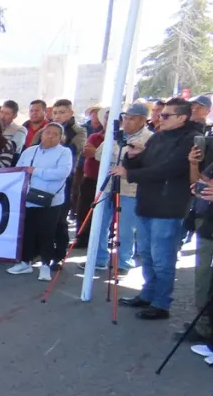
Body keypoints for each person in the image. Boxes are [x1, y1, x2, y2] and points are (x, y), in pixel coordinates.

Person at [112, 97, 195, 320]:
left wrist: (130, 173)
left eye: (166, 115)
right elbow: (146, 163)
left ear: (182, 117)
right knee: (146, 254)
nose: (160, 117)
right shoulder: (158, 136)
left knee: (162, 257)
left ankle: (161, 303)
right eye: (160, 114)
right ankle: (148, 294)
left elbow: (170, 170)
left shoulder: (189, 140)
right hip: (146, 202)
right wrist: (132, 158)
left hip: (169, 207)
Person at [81, 102, 152, 276]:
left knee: (125, 227)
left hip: (130, 188)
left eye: (132, 119)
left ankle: (123, 261)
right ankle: (99, 258)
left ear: (143, 120)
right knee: (100, 223)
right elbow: (98, 154)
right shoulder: (115, 135)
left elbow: (148, 163)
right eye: (125, 118)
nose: (127, 122)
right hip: (107, 185)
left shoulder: (150, 138)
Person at [8, 122, 74, 281]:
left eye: (55, 134)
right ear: (42, 134)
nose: (50, 136)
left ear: (61, 137)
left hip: (51, 200)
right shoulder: (30, 151)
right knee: (28, 231)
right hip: (29, 198)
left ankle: (45, 265)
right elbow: (19, 169)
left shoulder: (64, 152)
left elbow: (62, 173)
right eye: (48, 132)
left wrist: (36, 171)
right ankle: (25, 262)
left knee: (47, 232)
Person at [50, 99, 87, 263]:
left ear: (71, 113)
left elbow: (75, 149)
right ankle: (44, 250)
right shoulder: (48, 128)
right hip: (44, 176)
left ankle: (59, 254)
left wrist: (59, 140)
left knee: (60, 217)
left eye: (62, 112)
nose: (58, 116)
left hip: (66, 178)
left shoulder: (79, 131)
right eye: (55, 112)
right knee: (45, 217)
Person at [77, 108, 109, 244]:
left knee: (105, 214)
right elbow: (87, 152)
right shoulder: (95, 136)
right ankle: (82, 238)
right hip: (91, 178)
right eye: (107, 118)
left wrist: (98, 153)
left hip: (111, 181)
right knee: (84, 209)